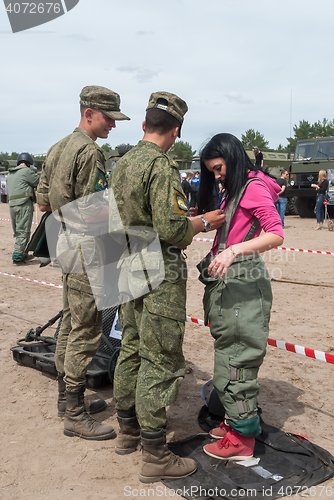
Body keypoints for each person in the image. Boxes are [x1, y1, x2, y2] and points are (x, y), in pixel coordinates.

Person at [109, 91, 225, 483]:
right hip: (157, 273)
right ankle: (156, 454)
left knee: (132, 349)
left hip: (127, 267)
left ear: (144, 125)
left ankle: (127, 430)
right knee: (161, 359)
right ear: (175, 131)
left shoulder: (122, 162)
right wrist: (205, 222)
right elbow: (174, 230)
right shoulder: (161, 167)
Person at [36, 85, 130, 440]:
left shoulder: (57, 147)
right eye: (109, 118)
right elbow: (95, 211)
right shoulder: (90, 152)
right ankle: (74, 413)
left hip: (64, 243)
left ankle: (66, 399)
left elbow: (43, 203)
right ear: (88, 113)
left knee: (72, 322)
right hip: (87, 248)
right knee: (88, 328)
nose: (113, 126)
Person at [196, 133, 283, 461]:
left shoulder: (253, 187)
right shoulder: (238, 186)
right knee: (230, 356)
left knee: (236, 362)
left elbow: (275, 232)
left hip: (242, 284)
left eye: (218, 169)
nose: (216, 176)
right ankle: (238, 424)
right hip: (233, 284)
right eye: (212, 172)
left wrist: (233, 250)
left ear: (232, 158)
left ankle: (241, 440)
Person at [7, 152, 40, 264]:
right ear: (29, 163)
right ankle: (18, 255)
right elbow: (38, 182)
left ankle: (23, 251)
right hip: (23, 204)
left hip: (12, 205)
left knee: (18, 230)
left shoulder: (11, 173)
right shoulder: (26, 171)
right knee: (24, 230)